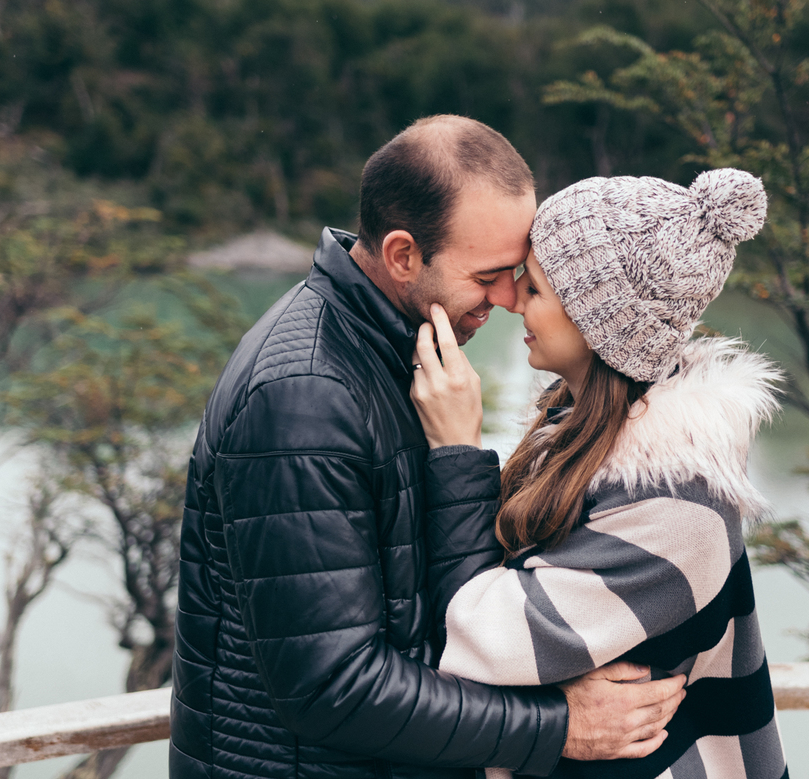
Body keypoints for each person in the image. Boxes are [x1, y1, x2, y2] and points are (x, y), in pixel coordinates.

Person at [169, 115, 687, 779]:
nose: (508, 298)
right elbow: (331, 686)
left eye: (518, 272)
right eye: (490, 275)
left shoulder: (405, 353)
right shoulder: (304, 397)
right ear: (403, 256)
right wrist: (559, 725)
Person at [410, 169, 790, 778]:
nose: (510, 298)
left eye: (534, 287)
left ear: (599, 323)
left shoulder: (677, 504)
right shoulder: (579, 436)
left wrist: (457, 449)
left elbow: (479, 636)